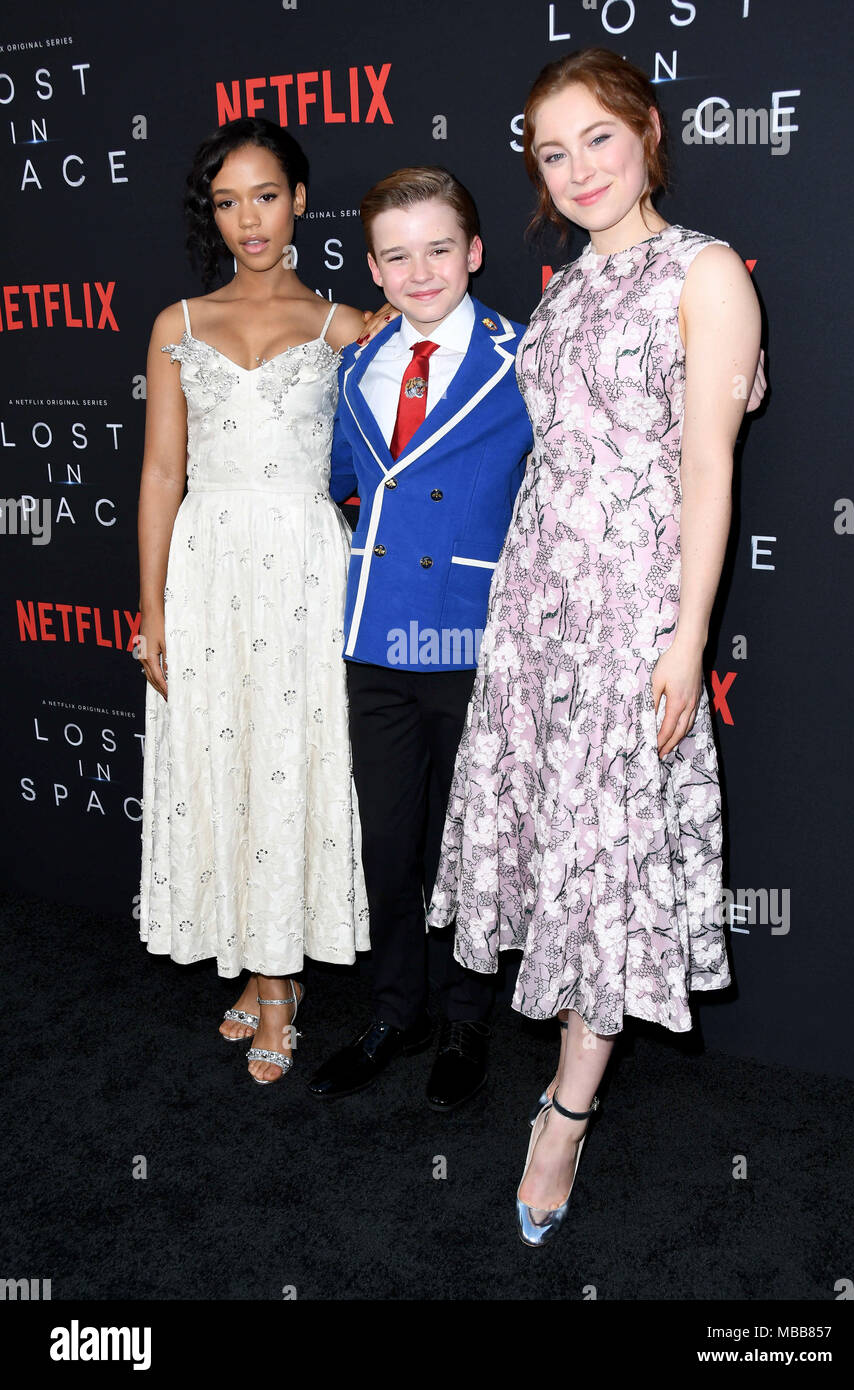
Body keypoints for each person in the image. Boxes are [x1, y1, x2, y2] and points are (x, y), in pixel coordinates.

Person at [427, 48, 762, 1241]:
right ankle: (559, 1077)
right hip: (538, 604)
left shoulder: (706, 272)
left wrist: (684, 639)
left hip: (632, 609)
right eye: (550, 153)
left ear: (648, 132)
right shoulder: (564, 284)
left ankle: (563, 1117)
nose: (575, 171)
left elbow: (708, 471)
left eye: (596, 141)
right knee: (553, 842)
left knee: (610, 855)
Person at [137, 117, 371, 1085]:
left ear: (301, 199)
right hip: (207, 565)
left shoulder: (346, 324)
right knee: (223, 759)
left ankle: (278, 985)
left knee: (288, 761)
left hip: (305, 567)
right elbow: (159, 473)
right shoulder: (177, 324)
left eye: (265, 195)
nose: (249, 220)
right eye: (228, 202)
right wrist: (150, 611)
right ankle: (263, 966)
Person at [305, 168, 535, 1109]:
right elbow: (342, 477)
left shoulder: (523, 358)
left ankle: (463, 1025)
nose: (420, 269)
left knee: (466, 846)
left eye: (439, 248)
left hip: (471, 640)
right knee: (390, 842)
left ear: (474, 253)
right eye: (396, 255)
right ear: (372, 267)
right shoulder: (357, 365)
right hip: (376, 641)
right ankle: (394, 1012)